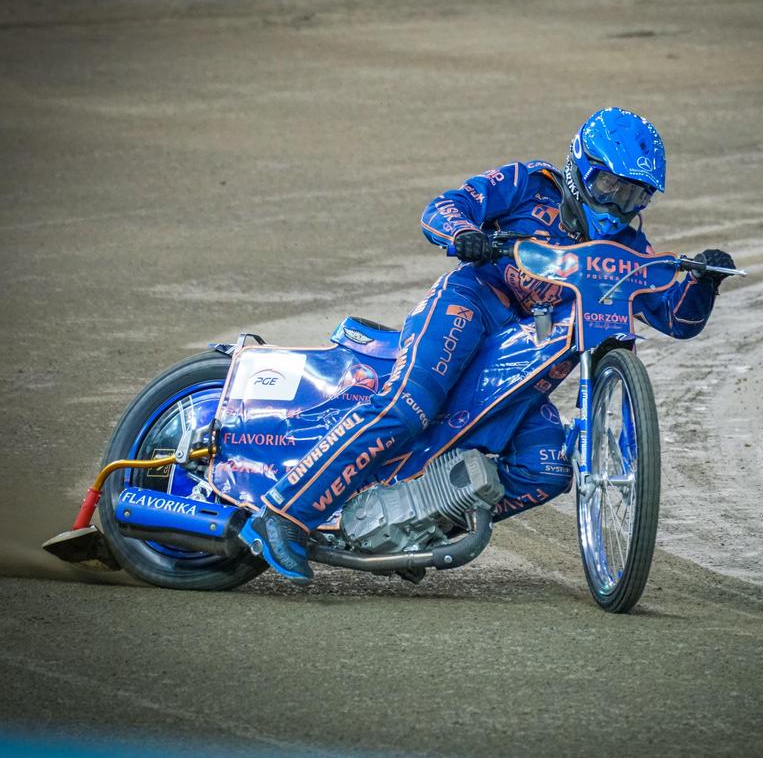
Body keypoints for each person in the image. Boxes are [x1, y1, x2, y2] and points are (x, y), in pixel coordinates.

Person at [239, 107, 735, 581]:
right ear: (580, 167)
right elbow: (445, 207)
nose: (618, 205)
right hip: (471, 305)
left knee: (546, 469)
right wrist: (463, 234)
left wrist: (704, 282)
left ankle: (418, 524)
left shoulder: (627, 251)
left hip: (525, 357)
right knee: (407, 408)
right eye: (609, 186)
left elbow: (678, 318)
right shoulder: (528, 184)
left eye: (635, 196)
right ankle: (283, 515)